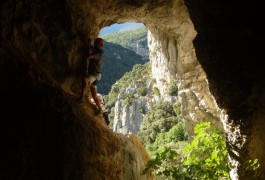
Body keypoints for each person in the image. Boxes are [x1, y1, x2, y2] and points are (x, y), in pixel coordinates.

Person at [80, 37, 105, 113]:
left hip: (95, 74)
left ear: (100, 45)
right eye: (95, 43)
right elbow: (91, 48)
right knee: (94, 94)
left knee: (85, 79)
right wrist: (89, 43)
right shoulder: (96, 50)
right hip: (95, 74)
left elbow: (90, 57)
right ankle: (100, 108)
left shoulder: (100, 52)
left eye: (97, 43)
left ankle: (81, 99)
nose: (96, 44)